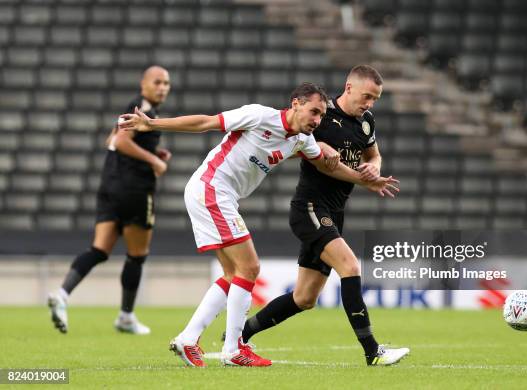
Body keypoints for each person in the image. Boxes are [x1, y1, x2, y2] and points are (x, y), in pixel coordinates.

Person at [118, 82, 399, 367]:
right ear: (296, 104)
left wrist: (366, 180)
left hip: (220, 196)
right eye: (313, 112)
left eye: (320, 115)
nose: (317, 120)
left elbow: (329, 166)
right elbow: (205, 122)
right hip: (211, 188)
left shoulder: (301, 140)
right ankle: (232, 349)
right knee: (249, 267)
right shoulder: (259, 116)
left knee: (233, 273)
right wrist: (152, 123)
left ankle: (188, 338)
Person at [238, 65, 409, 365]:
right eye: (367, 96)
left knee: (304, 298)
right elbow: (300, 147)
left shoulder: (366, 122)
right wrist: (319, 148)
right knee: (350, 265)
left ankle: (239, 333)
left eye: (375, 99)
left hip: (334, 212)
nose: (369, 104)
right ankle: (373, 351)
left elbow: (374, 155)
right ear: (349, 87)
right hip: (310, 208)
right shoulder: (321, 115)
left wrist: (375, 167)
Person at [47, 66, 172, 335]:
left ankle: (62, 294)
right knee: (137, 255)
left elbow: (111, 140)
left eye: (166, 83)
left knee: (100, 250)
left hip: (110, 186)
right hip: (135, 190)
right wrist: (154, 162)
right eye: (157, 82)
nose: (162, 87)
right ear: (144, 84)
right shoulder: (142, 109)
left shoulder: (136, 108)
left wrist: (154, 150)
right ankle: (126, 316)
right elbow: (121, 140)